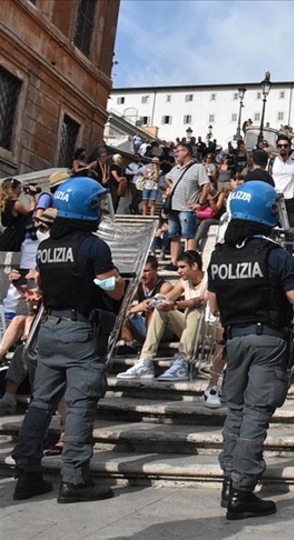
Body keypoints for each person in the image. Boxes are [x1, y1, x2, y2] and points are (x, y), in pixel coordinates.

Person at [12, 176, 126, 503]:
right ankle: (74, 479)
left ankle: (27, 471)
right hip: (79, 329)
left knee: (41, 402)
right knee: (79, 404)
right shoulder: (93, 245)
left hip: (49, 327)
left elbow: (45, 287)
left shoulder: (47, 246)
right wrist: (111, 281)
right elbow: (110, 288)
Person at [207, 181, 294, 520]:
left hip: (234, 340)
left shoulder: (220, 254)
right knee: (255, 414)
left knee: (235, 412)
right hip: (267, 339)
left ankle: (229, 479)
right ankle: (242, 490)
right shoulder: (273, 254)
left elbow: (214, 305)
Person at [116, 250, 207, 381]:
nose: (178, 271)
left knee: (194, 310)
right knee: (160, 308)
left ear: (194, 266)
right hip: (189, 329)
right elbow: (167, 298)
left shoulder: (209, 278)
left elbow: (200, 301)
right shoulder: (183, 281)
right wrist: (155, 301)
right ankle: (146, 360)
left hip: (209, 329)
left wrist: (174, 304)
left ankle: (183, 361)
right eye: (177, 267)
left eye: (182, 267)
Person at [165, 142, 210, 271]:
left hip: (187, 207)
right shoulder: (176, 169)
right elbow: (167, 178)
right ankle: (174, 262)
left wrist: (200, 204)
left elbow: (206, 185)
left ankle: (190, 262)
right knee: (173, 235)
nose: (176, 153)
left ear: (185, 151)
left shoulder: (198, 168)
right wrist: (170, 187)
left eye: (178, 151)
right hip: (173, 207)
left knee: (189, 234)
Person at [268, 134, 294, 227]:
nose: (282, 148)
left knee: (291, 229)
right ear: (277, 148)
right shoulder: (271, 162)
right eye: (280, 146)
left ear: (289, 147)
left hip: (290, 199)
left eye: (285, 146)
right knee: (273, 229)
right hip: (275, 198)